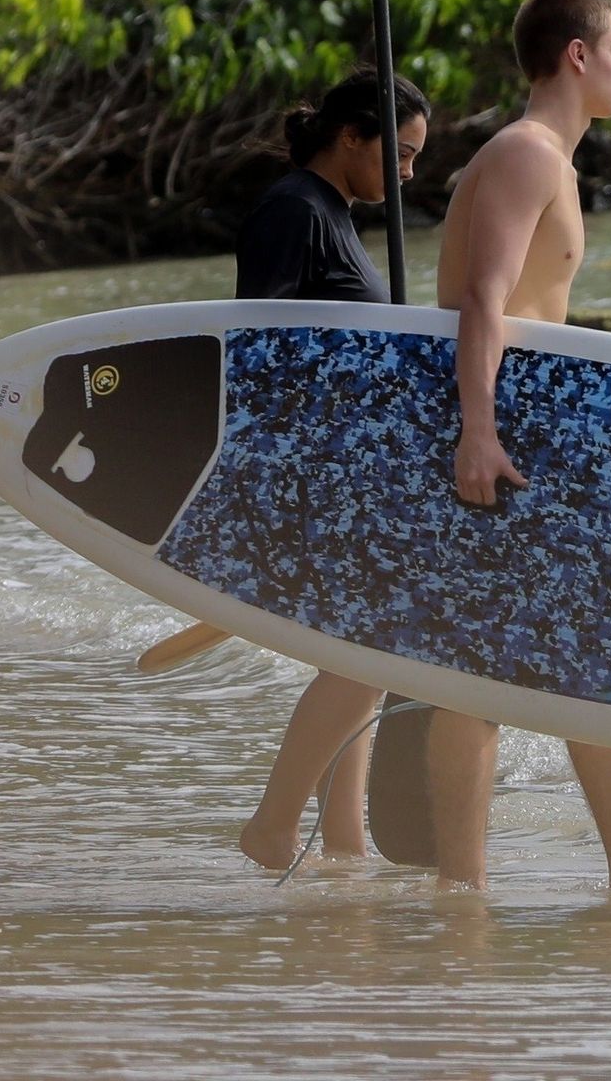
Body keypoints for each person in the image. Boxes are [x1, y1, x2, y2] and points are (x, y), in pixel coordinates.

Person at [427, 0, 611, 890]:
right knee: (495, 668)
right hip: (499, 432)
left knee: (562, 656)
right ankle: (474, 886)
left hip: (530, 433)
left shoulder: (552, 161)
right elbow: (482, 299)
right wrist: (478, 432)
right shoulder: (528, 154)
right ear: (577, 55)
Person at [235, 68, 431, 870]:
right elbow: (257, 354)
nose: (409, 174)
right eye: (401, 153)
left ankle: (344, 846)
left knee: (356, 656)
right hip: (316, 476)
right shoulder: (293, 211)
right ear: (351, 137)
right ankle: (274, 824)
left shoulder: (333, 214)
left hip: (352, 472)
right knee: (371, 653)